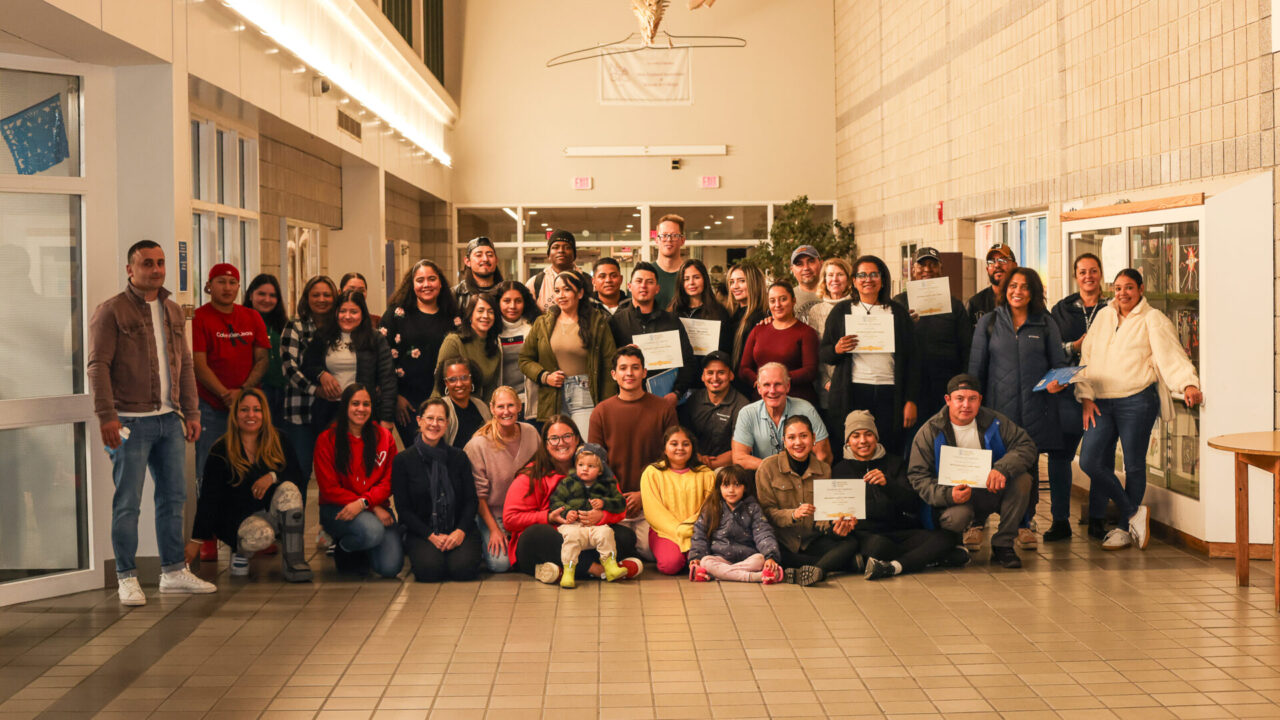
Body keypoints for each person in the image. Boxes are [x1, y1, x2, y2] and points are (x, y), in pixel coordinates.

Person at [89, 240, 217, 605]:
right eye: (147, 263)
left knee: (174, 499)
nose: (156, 269)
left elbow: (186, 364)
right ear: (130, 269)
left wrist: (190, 412)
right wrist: (106, 416)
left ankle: (174, 571)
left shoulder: (174, 311)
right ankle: (126, 576)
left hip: (169, 420)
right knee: (128, 502)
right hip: (129, 421)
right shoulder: (111, 312)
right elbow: (98, 366)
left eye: (160, 263)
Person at [1075, 268, 1203, 550]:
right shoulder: (1103, 316)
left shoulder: (1152, 319)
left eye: (1129, 287)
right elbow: (1087, 356)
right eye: (1118, 288)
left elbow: (1171, 356)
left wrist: (1188, 384)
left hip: (1136, 401)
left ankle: (1123, 527)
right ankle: (1134, 511)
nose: (1123, 293)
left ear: (1141, 289)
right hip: (1101, 402)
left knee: (1133, 464)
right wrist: (1085, 395)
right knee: (1090, 461)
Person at [969, 267, 1069, 549]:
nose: (1018, 291)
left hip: (1036, 409)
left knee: (1029, 468)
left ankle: (1025, 524)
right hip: (995, 411)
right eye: (1013, 286)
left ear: (1033, 292)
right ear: (1004, 289)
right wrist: (972, 408)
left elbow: (1059, 365)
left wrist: (1057, 383)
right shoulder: (988, 322)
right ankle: (977, 522)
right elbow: (975, 370)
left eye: (1025, 287)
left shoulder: (1045, 324)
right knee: (986, 465)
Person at [907, 375, 1036, 569]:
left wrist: (1002, 468)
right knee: (958, 516)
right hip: (953, 499)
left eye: (972, 399)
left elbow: (1026, 445)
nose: (966, 405)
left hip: (990, 490)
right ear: (948, 400)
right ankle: (952, 545)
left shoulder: (995, 421)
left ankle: (1003, 544)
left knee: (1022, 480)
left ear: (980, 400)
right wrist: (948, 494)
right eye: (960, 398)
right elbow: (918, 476)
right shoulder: (930, 431)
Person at [185, 388, 311, 581]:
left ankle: (294, 562)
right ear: (235, 414)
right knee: (261, 536)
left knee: (290, 489)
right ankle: (240, 552)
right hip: (238, 522)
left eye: (256, 410)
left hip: (272, 513)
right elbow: (209, 498)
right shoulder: (221, 449)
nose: (251, 415)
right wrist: (196, 540)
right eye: (244, 410)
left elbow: (297, 476)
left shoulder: (279, 439)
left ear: (264, 414)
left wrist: (272, 476)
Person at [831, 410, 968, 580]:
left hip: (898, 531)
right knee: (879, 547)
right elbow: (834, 516)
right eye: (855, 436)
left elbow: (912, 504)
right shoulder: (839, 469)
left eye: (868, 434)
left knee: (946, 537)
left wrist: (888, 485)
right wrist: (840, 526)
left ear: (876, 437)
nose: (863, 441)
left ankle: (895, 566)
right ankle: (931, 557)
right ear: (848, 441)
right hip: (866, 536)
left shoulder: (894, 463)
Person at [192, 263, 270, 562]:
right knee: (207, 471)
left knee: (253, 467)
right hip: (212, 407)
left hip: (249, 406)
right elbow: (199, 363)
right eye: (220, 282)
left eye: (233, 282)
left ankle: (256, 529)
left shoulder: (251, 317)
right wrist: (226, 395)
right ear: (209, 286)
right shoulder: (199, 318)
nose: (227, 287)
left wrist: (243, 393)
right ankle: (208, 535)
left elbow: (262, 358)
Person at [502, 416, 642, 582]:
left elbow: (619, 507)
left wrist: (601, 516)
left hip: (586, 535)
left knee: (625, 536)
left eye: (567, 436)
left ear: (576, 439)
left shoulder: (595, 468)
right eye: (554, 438)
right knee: (536, 534)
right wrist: (547, 517)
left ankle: (560, 571)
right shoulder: (531, 475)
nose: (561, 443)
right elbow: (510, 519)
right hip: (549, 541)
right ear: (546, 444)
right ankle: (597, 570)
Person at [820, 254, 918, 458]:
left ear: (882, 279)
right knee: (852, 448)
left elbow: (913, 360)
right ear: (853, 281)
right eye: (862, 275)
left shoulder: (897, 313)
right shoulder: (842, 311)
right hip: (853, 390)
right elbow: (824, 353)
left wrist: (911, 400)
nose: (868, 279)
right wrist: (837, 349)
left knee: (889, 448)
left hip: (890, 392)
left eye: (874, 274)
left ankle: (883, 488)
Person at [588, 346, 679, 558]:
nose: (629, 373)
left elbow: (672, 460)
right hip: (614, 501)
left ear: (644, 372)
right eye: (623, 368)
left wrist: (644, 495)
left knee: (648, 552)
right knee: (613, 547)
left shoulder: (663, 408)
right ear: (614, 374)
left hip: (652, 500)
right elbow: (593, 465)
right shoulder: (601, 412)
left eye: (635, 368)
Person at [314, 384, 403, 578]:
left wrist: (365, 504)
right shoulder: (327, 439)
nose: (361, 409)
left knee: (391, 568)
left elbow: (389, 482)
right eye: (355, 404)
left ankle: (361, 548)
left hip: (374, 506)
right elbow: (329, 489)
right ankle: (343, 546)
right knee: (372, 531)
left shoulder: (384, 437)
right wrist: (368, 506)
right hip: (338, 508)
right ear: (345, 406)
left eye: (366, 404)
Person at [1046, 252, 1105, 541]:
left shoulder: (1112, 307)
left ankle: (1097, 518)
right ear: (1075, 276)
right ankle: (1060, 520)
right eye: (1082, 272)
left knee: (1098, 458)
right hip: (1068, 393)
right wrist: (1075, 346)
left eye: (1093, 271)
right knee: (1060, 455)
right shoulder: (1062, 309)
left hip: (1103, 392)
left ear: (1100, 274)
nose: (1088, 276)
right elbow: (1054, 347)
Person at [755, 416, 855, 586]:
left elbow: (824, 517)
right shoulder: (767, 467)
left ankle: (812, 571)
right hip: (782, 541)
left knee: (851, 543)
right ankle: (826, 566)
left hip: (811, 540)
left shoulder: (823, 469)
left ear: (813, 438)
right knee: (769, 556)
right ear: (784, 441)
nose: (798, 442)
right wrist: (793, 514)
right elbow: (766, 513)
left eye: (804, 436)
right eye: (791, 437)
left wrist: (837, 525)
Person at [392, 398, 482, 583]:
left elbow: (471, 501)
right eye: (430, 418)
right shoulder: (403, 460)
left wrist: (460, 532)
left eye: (440, 419)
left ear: (447, 424)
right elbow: (404, 510)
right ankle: (436, 555)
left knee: (463, 570)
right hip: (424, 531)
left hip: (457, 528)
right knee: (430, 571)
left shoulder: (459, 457)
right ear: (419, 421)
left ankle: (453, 555)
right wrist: (430, 536)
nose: (435, 424)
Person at [519, 271, 617, 429]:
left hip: (586, 394)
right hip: (553, 395)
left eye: (567, 289)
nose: (561, 295)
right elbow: (524, 359)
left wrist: (608, 405)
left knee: (586, 448)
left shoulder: (597, 322)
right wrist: (544, 376)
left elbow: (609, 364)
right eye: (557, 291)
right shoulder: (542, 323)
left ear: (580, 293)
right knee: (559, 447)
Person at [891, 247, 972, 428]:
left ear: (941, 270)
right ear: (913, 270)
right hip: (910, 388)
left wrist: (963, 384)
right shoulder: (899, 303)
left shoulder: (955, 305)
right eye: (921, 265)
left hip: (945, 386)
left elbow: (966, 348)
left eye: (933, 265)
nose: (927, 269)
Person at [380, 260, 458, 445]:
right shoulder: (395, 314)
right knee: (418, 453)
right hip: (406, 402)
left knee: (443, 452)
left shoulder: (453, 315)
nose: (426, 285)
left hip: (445, 398)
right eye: (420, 280)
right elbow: (382, 360)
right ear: (411, 284)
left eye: (432, 279)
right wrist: (395, 397)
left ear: (440, 283)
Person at [464, 386, 540, 573]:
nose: (506, 412)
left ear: (519, 407)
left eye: (511, 406)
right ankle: (483, 540)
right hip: (494, 515)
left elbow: (541, 475)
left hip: (526, 512)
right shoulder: (478, 445)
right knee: (501, 564)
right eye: (500, 407)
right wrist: (495, 530)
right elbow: (478, 497)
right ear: (492, 409)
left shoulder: (531, 433)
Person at [301, 290, 396, 432]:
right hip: (329, 412)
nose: (347, 316)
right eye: (342, 311)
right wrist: (321, 374)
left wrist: (387, 418)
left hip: (364, 412)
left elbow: (388, 379)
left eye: (353, 312)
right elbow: (308, 365)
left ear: (362, 314)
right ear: (335, 313)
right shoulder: (323, 335)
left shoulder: (375, 338)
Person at [280, 274, 338, 503]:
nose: (321, 299)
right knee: (300, 473)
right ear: (306, 298)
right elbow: (289, 369)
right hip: (300, 413)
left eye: (327, 294)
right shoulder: (295, 326)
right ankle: (293, 532)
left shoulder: (341, 327)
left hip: (333, 413)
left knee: (333, 475)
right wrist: (317, 389)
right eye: (316, 295)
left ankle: (331, 533)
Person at [610, 262, 698, 402]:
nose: (643, 286)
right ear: (629, 286)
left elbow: (688, 361)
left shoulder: (672, 321)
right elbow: (607, 362)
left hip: (666, 400)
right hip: (628, 400)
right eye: (638, 281)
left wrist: (677, 392)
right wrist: (622, 354)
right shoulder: (616, 322)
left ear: (657, 289)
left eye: (649, 282)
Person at [546, 443, 630, 587]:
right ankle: (569, 572)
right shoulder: (568, 483)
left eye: (591, 466)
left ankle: (610, 567)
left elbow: (620, 503)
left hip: (595, 526)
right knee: (571, 538)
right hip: (573, 525)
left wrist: (604, 503)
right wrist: (566, 512)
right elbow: (555, 501)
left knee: (606, 532)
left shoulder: (606, 485)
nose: (585, 468)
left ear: (600, 471)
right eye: (581, 464)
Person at [640, 426, 717, 575]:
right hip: (665, 532)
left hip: (699, 530)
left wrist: (691, 529)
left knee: (709, 561)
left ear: (693, 447)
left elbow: (709, 508)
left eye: (686, 444)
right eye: (674, 444)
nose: (680, 448)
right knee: (670, 565)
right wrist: (679, 531)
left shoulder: (706, 474)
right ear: (665, 448)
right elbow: (653, 512)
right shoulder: (652, 473)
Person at [688, 465, 784, 584]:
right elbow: (700, 534)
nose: (731, 490)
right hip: (720, 558)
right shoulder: (712, 508)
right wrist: (696, 557)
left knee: (760, 559)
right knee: (705, 561)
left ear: (745, 487)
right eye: (726, 485)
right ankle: (754, 577)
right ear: (719, 488)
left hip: (748, 559)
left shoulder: (753, 508)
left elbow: (763, 533)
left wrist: (770, 557)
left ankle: (717, 575)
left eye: (737, 485)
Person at [731, 363, 832, 469]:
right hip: (762, 477)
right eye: (766, 385)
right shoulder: (747, 413)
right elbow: (739, 458)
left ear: (787, 386)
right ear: (759, 389)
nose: (772, 391)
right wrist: (777, 470)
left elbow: (824, 455)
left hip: (802, 478)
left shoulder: (806, 409)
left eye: (778, 384)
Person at [738, 281, 820, 404]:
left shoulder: (806, 332)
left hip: (795, 400)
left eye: (783, 299)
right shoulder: (758, 330)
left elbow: (810, 371)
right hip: (762, 399)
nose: (777, 305)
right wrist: (759, 380)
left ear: (793, 301)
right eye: (772, 300)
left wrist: (777, 379)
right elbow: (744, 368)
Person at [679, 351, 750, 469]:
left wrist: (708, 464)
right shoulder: (693, 400)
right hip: (693, 463)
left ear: (731, 375)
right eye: (710, 373)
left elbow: (740, 451)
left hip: (728, 468)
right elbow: (683, 436)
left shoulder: (742, 406)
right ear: (703, 376)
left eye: (721, 373)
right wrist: (696, 458)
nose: (715, 378)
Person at [800, 258, 853, 409]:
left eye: (840, 274)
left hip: (854, 383)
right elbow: (814, 351)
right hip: (827, 386)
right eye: (830, 275)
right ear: (824, 280)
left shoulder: (857, 306)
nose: (834, 279)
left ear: (848, 279)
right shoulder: (815, 311)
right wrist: (825, 381)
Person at [435, 292, 502, 402]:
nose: (485, 316)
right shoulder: (454, 341)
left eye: (490, 312)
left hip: (477, 408)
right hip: (446, 406)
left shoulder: (495, 350)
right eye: (480, 311)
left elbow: (490, 390)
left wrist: (488, 417)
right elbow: (440, 384)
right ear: (470, 315)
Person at [244, 273, 289, 425]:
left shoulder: (283, 325)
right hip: (255, 391)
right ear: (251, 295)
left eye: (272, 295)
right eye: (261, 294)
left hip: (282, 392)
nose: (267, 299)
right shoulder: (241, 322)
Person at [671, 258, 733, 362]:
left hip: (709, 374)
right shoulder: (673, 312)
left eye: (696, 277)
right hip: (680, 374)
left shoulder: (719, 312)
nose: (691, 283)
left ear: (705, 279)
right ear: (680, 283)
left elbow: (725, 350)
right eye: (686, 279)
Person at [495, 280, 540, 418]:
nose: (512, 306)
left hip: (531, 402)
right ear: (498, 302)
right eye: (507, 301)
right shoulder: (490, 330)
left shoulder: (536, 327)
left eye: (518, 301)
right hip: (501, 405)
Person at [726, 263, 768, 397]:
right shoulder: (731, 315)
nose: (735, 286)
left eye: (741, 281)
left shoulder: (762, 318)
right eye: (732, 282)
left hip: (750, 391)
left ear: (754, 283)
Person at [528, 229, 592, 311]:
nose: (561, 251)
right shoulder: (535, 283)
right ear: (549, 254)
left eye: (567, 247)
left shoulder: (587, 280)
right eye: (555, 247)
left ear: (574, 254)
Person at [434, 356, 492, 448]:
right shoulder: (439, 409)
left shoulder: (481, 406)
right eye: (452, 380)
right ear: (446, 383)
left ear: (471, 379)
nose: (459, 384)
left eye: (464, 378)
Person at [966, 244, 1016, 326]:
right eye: (992, 262)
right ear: (987, 269)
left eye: (1002, 260)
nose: (997, 265)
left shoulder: (1022, 300)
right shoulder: (975, 304)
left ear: (1015, 265)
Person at [453, 236, 504, 311]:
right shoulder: (456, 294)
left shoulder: (506, 292)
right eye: (478, 255)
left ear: (496, 260)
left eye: (490, 255)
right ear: (467, 261)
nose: (485, 259)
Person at [653, 214, 686, 310]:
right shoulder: (646, 274)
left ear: (682, 240)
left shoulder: (691, 274)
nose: (668, 239)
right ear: (656, 240)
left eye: (674, 235)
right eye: (664, 235)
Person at [789, 245, 823, 309]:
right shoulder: (788, 298)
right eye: (799, 264)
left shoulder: (835, 293)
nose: (806, 268)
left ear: (821, 264)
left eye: (811, 261)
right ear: (792, 270)